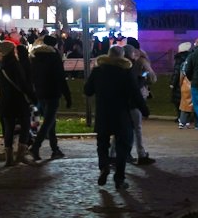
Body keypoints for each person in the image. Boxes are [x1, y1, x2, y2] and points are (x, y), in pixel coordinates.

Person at [84, 45, 149, 191]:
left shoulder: (98, 71)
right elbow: (135, 93)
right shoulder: (125, 72)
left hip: (103, 113)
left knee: (102, 143)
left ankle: (104, 166)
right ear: (122, 57)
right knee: (123, 146)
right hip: (121, 114)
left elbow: (87, 90)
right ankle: (119, 178)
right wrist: (144, 110)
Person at [26, 34, 71, 160]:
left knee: (50, 121)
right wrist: (67, 96)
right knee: (48, 122)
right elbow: (60, 77)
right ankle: (36, 146)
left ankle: (54, 148)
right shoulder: (54, 56)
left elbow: (31, 76)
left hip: (40, 92)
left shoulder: (35, 56)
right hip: (52, 92)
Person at [0, 41, 34, 166]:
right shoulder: (15, 65)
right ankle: (20, 155)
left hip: (5, 101)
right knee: (26, 125)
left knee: (8, 128)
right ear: (12, 51)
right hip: (18, 101)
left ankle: (8, 158)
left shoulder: (0, 66)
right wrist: (32, 97)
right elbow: (22, 84)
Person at [124, 37, 155, 164]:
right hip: (137, 96)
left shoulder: (122, 63)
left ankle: (114, 154)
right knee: (137, 127)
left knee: (124, 126)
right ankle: (141, 154)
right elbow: (151, 76)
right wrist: (143, 78)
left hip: (123, 98)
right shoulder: (141, 60)